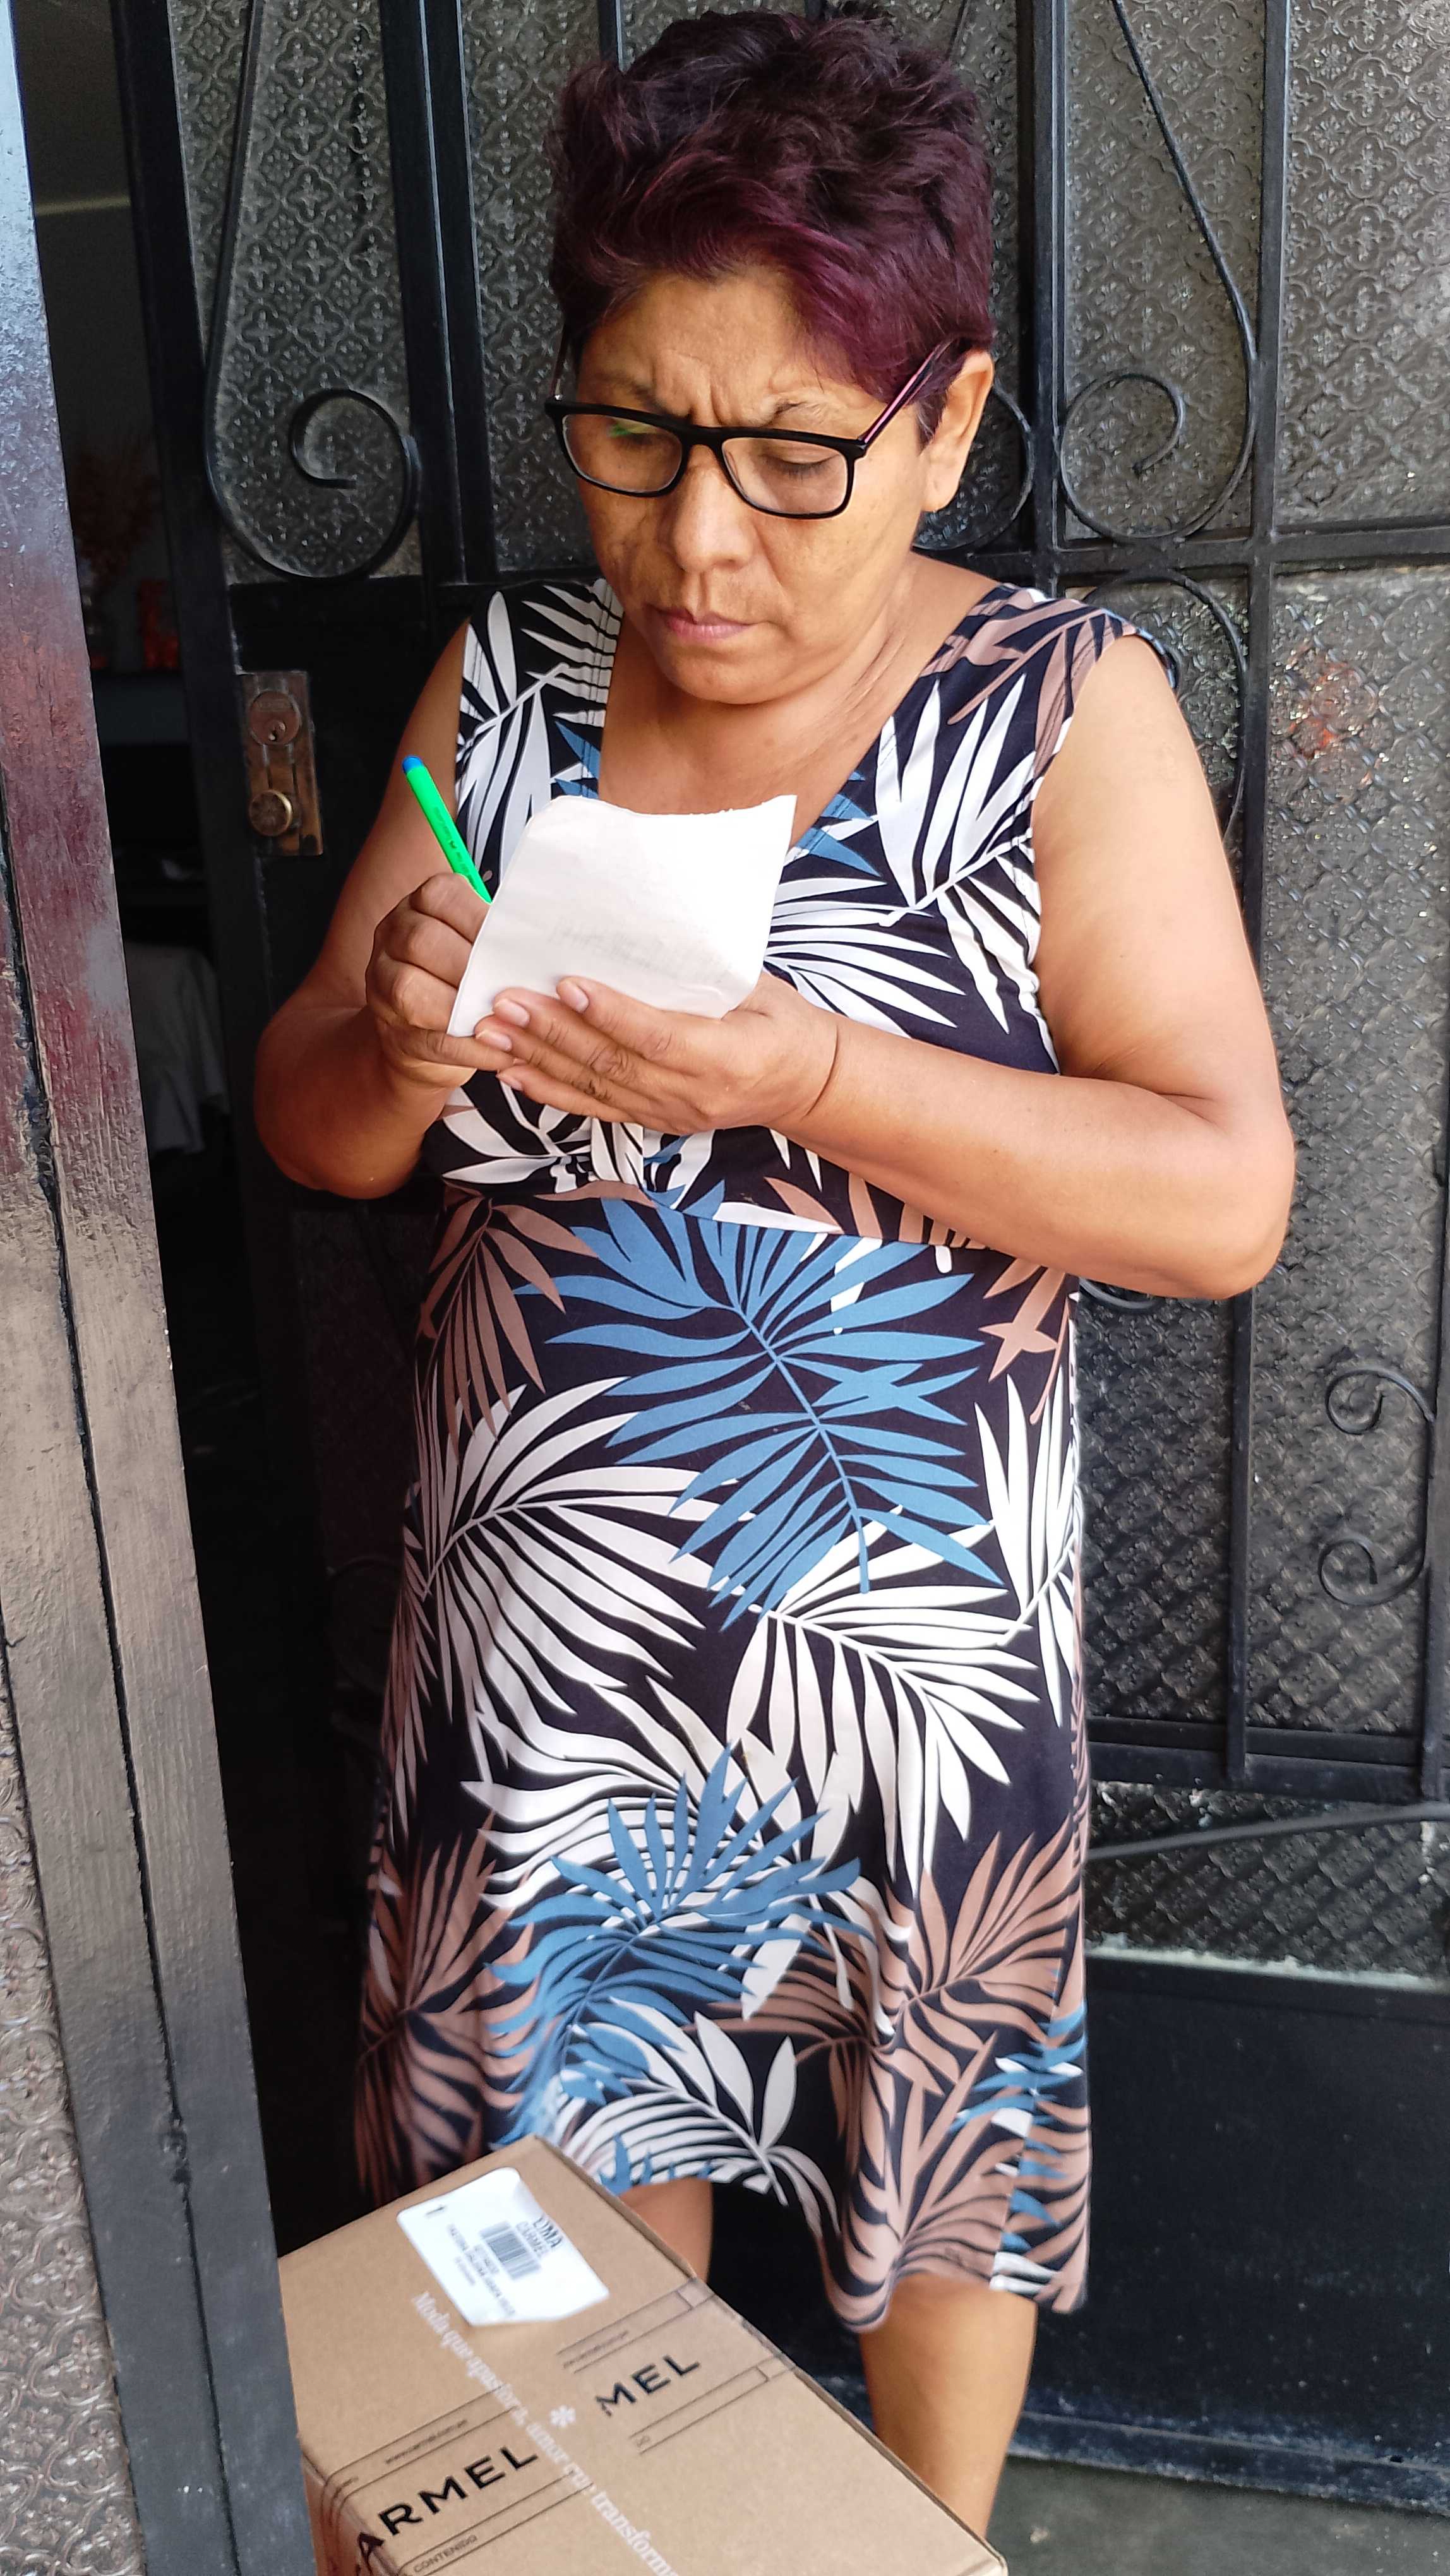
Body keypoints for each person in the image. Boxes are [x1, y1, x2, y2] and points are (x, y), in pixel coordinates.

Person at [255, 6, 1293, 2534]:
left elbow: (1217, 1192)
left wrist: (802, 1069)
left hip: (909, 1658)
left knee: (939, 2181)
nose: (698, 542)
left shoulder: (1059, 711)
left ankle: (930, 2554)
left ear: (943, 428)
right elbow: (310, 1128)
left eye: (793, 457)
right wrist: (391, 1038)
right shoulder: (508, 690)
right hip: (557, 1649)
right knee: (554, 2204)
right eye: (635, 436)